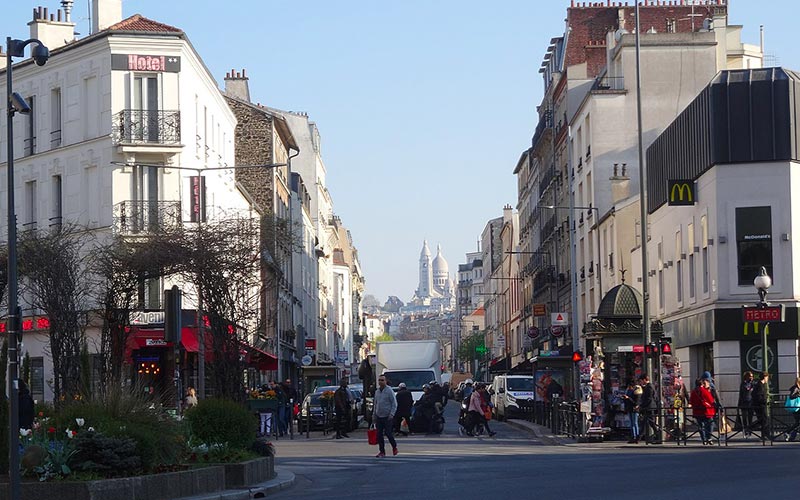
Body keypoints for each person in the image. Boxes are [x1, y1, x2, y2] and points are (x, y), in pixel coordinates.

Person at [373, 375, 398, 458]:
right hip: (379, 416)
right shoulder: (377, 391)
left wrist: (392, 414)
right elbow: (375, 404)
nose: (380, 382)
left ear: (386, 381)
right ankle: (382, 451)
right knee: (379, 435)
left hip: (387, 416)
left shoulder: (389, 390)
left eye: (382, 380)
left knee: (388, 433)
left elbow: (394, 403)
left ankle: (394, 447)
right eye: (379, 380)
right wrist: (374, 415)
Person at [690, 378, 716, 445]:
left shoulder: (693, 392)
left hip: (697, 411)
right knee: (710, 423)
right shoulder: (704, 390)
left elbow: (691, 401)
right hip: (706, 411)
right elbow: (710, 400)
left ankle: (704, 439)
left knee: (701, 426)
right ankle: (709, 438)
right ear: (702, 384)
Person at [752, 371, 770, 438]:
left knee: (763, 420)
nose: (767, 379)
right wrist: (765, 401)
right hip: (760, 406)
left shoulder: (759, 385)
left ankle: (764, 435)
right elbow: (759, 396)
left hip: (759, 405)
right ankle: (750, 427)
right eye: (767, 377)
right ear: (765, 377)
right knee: (764, 420)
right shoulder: (760, 385)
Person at [639, 375, 657, 443]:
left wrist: (642, 405)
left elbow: (649, 398)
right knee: (646, 422)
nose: (640, 382)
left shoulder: (649, 387)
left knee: (651, 422)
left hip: (649, 407)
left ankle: (657, 433)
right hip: (648, 407)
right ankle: (639, 437)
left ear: (644, 380)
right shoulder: (647, 387)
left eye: (641, 380)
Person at [785, 376, 800, 442]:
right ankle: (788, 432)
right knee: (798, 423)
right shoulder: (796, 388)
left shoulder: (797, 388)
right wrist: (798, 395)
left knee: (798, 423)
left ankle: (791, 436)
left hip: (798, 408)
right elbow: (792, 396)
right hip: (796, 408)